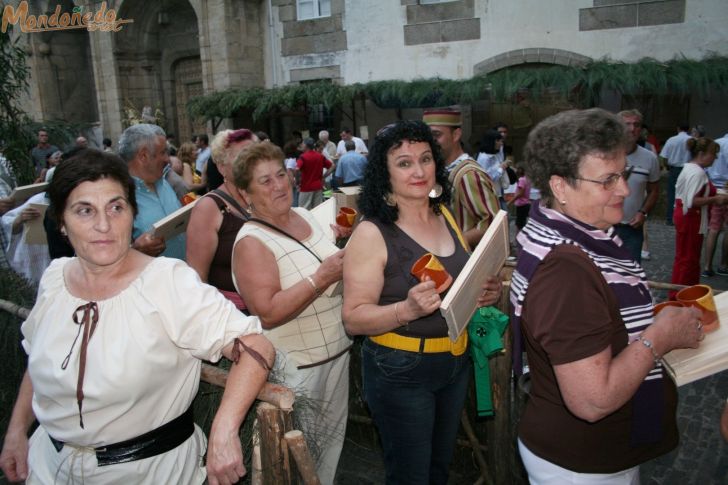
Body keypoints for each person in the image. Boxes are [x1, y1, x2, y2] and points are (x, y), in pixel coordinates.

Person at [0, 149, 274, 484]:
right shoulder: (55, 278)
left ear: (132, 212)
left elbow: (255, 345)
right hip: (47, 466)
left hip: (146, 471)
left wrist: (224, 430)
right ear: (61, 221)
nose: (104, 225)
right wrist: (17, 431)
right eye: (84, 210)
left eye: (116, 207)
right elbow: (38, 359)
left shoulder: (166, 282)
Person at [510, 108, 704, 483]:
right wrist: (658, 337)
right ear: (560, 186)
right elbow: (593, 400)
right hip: (582, 463)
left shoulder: (570, 232)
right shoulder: (566, 271)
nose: (625, 190)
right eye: (608, 180)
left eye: (624, 173)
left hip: (592, 454)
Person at [341, 120, 501, 484]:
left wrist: (484, 293)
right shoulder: (372, 232)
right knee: (410, 475)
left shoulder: (445, 215)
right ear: (385, 172)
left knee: (437, 469)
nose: (418, 170)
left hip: (453, 360)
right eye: (404, 162)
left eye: (426, 159)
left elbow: (458, 285)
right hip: (400, 367)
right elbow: (353, 318)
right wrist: (407, 310)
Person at [231, 141, 351, 485]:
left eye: (281, 175)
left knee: (327, 456)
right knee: (297, 462)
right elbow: (267, 312)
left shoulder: (303, 216)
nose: (279, 185)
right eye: (264, 181)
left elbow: (317, 262)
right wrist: (321, 277)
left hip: (336, 354)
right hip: (298, 370)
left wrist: (340, 244)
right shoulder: (251, 242)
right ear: (245, 194)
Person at [186, 129, 257, 312]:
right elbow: (197, 278)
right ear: (221, 166)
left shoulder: (262, 196)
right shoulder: (208, 208)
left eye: (255, 155)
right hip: (235, 315)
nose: (250, 162)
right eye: (241, 156)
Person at [423, 108, 500, 249]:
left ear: (456, 134)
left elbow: (493, 224)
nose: (431, 142)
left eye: (437, 135)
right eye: (427, 137)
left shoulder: (468, 174)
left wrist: (454, 243)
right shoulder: (442, 170)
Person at [118, 123, 185, 259]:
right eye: (163, 152)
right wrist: (135, 251)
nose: (168, 159)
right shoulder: (118, 197)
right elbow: (103, 258)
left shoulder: (164, 182)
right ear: (143, 156)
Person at [670, 137, 725, 296]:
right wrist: (715, 199)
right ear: (701, 153)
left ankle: (683, 293)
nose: (715, 157)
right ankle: (682, 295)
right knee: (688, 260)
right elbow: (691, 200)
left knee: (685, 259)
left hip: (688, 218)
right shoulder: (697, 172)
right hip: (691, 219)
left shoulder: (692, 169)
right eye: (713, 154)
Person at [615, 109, 660, 263]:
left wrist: (643, 212)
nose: (632, 129)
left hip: (632, 229)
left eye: (636, 125)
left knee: (631, 277)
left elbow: (654, 190)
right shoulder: (602, 154)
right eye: (627, 124)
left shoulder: (650, 158)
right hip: (603, 227)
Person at [702, 131, 728, 276]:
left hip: (713, 188)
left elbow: (705, 167)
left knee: (713, 228)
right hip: (726, 189)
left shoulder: (716, 142)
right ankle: (724, 264)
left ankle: (707, 266)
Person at [660, 123, 692, 225]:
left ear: (678, 128)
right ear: (689, 129)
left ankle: (670, 218)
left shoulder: (671, 139)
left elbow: (664, 156)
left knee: (672, 194)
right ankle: (683, 218)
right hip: (688, 169)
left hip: (674, 169)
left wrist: (667, 166)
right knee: (686, 194)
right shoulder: (692, 140)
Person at [297, 137, 333, 209]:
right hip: (318, 186)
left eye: (303, 143)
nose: (301, 145)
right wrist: (323, 176)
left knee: (304, 210)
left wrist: (297, 182)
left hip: (305, 187)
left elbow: (297, 169)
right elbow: (332, 166)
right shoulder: (320, 156)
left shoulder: (303, 157)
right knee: (317, 209)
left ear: (306, 145)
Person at [507, 164, 531, 233]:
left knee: (519, 224)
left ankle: (518, 240)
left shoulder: (521, 180)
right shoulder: (527, 179)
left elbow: (520, 193)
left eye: (518, 169)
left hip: (522, 204)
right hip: (525, 204)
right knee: (522, 223)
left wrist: (510, 201)